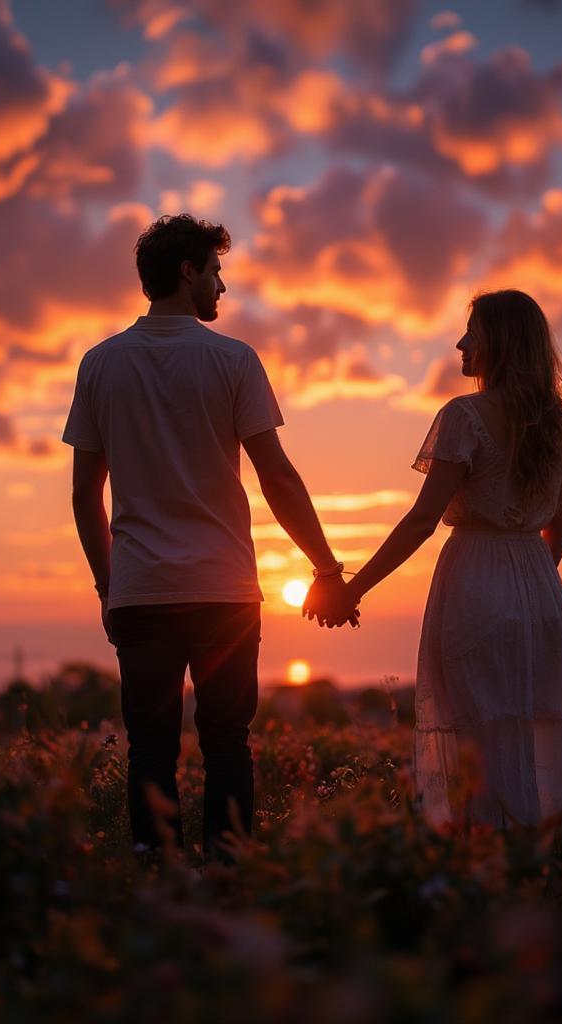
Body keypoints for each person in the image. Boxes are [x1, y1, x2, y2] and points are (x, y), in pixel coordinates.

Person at [63, 213, 355, 861]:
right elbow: (276, 474)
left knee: (150, 748)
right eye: (217, 272)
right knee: (227, 744)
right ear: (188, 270)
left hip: (140, 593)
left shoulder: (100, 364)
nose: (222, 287)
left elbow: (86, 494)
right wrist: (326, 567)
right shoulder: (233, 361)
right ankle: (228, 878)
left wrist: (110, 586)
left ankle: (156, 882)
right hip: (224, 592)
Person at [304, 289, 562, 832]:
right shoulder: (560, 425)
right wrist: (525, 593)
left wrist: (352, 588)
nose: (462, 343)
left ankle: (486, 863)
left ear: (501, 342)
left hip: (475, 583)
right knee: (534, 728)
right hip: (540, 589)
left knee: (477, 735)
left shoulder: (464, 416)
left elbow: (421, 520)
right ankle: (540, 866)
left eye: (473, 332)